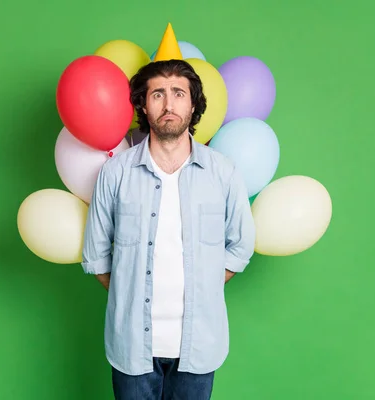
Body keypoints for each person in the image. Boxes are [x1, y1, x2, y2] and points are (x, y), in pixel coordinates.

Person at [81, 59, 256, 400]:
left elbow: (240, 247)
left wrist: (201, 288)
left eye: (179, 93)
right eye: (157, 94)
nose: (169, 104)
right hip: (131, 346)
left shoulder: (222, 173)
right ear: (144, 106)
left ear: (193, 105)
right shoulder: (115, 173)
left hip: (200, 345)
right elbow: (96, 255)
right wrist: (131, 294)